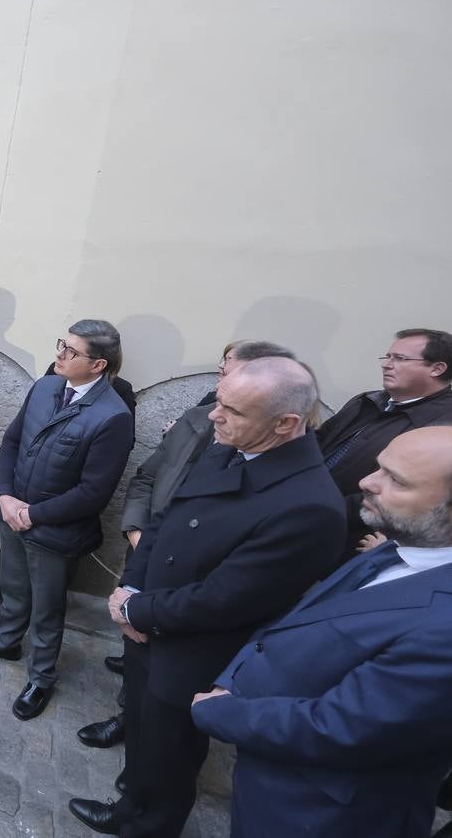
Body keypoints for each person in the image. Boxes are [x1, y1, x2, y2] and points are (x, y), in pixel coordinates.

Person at [69, 357, 347, 837]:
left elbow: (227, 598)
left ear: (285, 424)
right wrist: (128, 586)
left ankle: (147, 826)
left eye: (233, 410)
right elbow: (166, 522)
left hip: (193, 652)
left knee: (168, 756)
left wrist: (136, 608)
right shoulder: (231, 445)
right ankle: (129, 808)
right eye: (219, 401)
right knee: (141, 733)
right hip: (146, 624)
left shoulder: (310, 506)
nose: (215, 415)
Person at [193, 426, 452, 838]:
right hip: (272, 776)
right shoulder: (400, 544)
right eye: (379, 466)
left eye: (397, 480)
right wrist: (233, 680)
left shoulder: (444, 627)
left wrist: (219, 711)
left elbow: (345, 728)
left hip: (321, 813)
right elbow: (295, 621)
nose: (367, 481)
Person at [78, 339, 297, 751]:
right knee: (138, 653)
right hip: (146, 549)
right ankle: (131, 714)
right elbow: (148, 479)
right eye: (221, 368)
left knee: (169, 687)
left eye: (228, 368)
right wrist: (138, 533)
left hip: (190, 584)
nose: (219, 375)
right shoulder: (199, 416)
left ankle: (143, 741)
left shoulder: (261, 457)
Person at [0, 321, 135, 720]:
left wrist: (32, 514)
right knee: (13, 587)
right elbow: (11, 442)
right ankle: (5, 640)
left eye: (72, 351)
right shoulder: (44, 387)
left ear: (98, 365)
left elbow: (94, 493)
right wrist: (6, 497)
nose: (60, 354)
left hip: (54, 531)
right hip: (14, 513)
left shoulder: (113, 417)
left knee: (46, 609)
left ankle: (41, 679)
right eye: (62, 344)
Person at [317, 328, 452, 550]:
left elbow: (407, 492)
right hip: (310, 512)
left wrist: (316, 509)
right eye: (388, 356)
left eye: (400, 358)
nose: (387, 364)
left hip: (352, 537)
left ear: (437, 368)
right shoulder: (367, 401)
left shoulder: (441, 429)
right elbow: (321, 442)